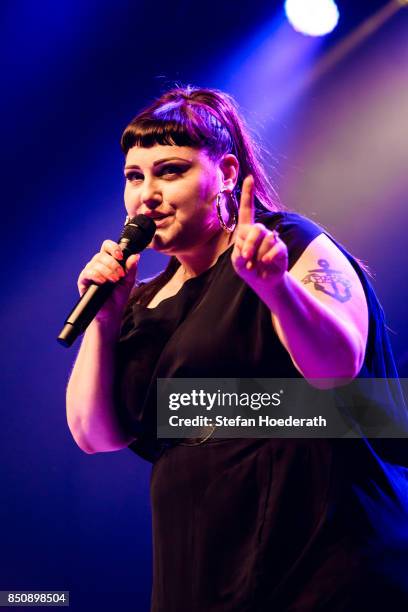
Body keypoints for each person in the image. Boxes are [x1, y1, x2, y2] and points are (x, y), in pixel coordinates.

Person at [66, 86, 408, 611]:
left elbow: (338, 367)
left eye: (171, 171)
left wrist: (277, 289)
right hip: (201, 568)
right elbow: (94, 434)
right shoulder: (142, 303)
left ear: (226, 174)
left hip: (321, 555)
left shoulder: (286, 242)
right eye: (135, 177)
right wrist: (104, 322)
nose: (146, 194)